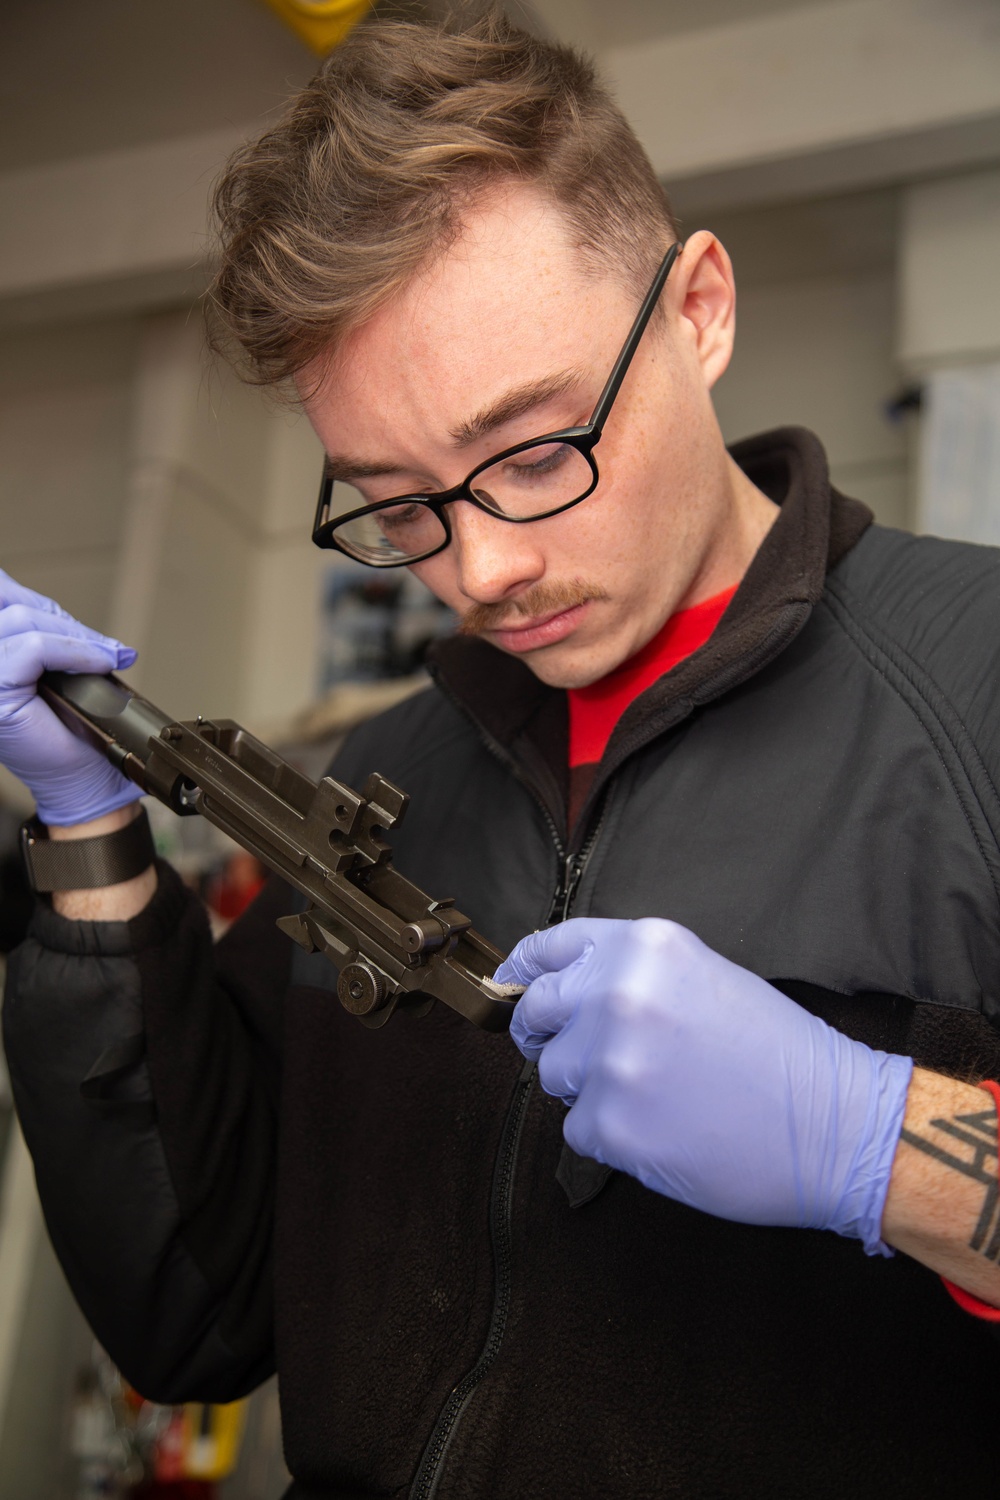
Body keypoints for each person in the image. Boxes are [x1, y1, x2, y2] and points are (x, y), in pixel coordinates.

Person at [3, 13, 1000, 1498]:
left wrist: (878, 1144)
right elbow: (194, 1315)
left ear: (702, 310)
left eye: (534, 450)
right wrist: (88, 839)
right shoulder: (387, 779)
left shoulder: (976, 679)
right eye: (400, 503)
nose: (479, 570)